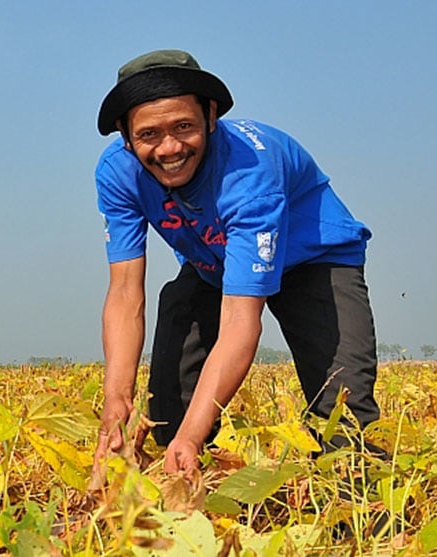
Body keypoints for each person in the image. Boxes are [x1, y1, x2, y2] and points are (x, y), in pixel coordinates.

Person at [91, 49, 381, 477]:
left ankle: (354, 507)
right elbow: (125, 292)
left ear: (210, 116)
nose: (169, 148)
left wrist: (193, 436)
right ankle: (188, 487)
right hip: (216, 263)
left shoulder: (249, 176)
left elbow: (241, 320)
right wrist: (117, 396)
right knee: (169, 410)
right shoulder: (119, 174)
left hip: (314, 261)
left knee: (342, 410)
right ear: (125, 135)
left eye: (184, 127)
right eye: (149, 134)